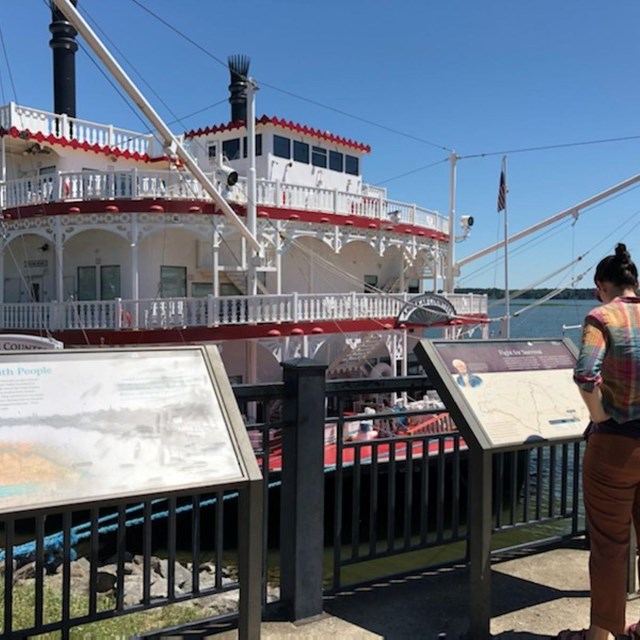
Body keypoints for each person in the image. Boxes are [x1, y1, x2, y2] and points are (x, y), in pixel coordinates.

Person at [568, 243, 640, 640]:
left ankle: (601, 634)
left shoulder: (601, 316)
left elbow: (585, 374)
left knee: (610, 544)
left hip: (615, 446)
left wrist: (601, 417)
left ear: (601, 286)